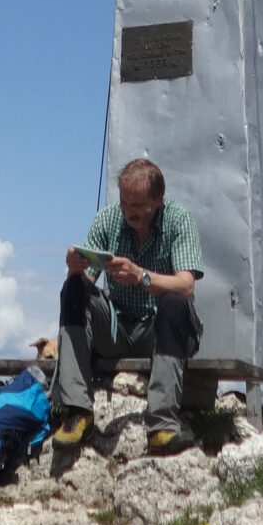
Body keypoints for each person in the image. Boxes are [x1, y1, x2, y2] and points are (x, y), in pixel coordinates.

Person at [53, 157, 203, 455]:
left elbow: (186, 285)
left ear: (158, 199)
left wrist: (142, 277)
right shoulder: (108, 219)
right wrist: (75, 267)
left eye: (137, 205)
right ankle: (77, 411)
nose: (129, 212)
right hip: (118, 328)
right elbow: (88, 282)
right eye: (125, 203)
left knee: (175, 301)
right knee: (73, 289)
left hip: (162, 331)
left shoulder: (178, 219)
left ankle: (162, 425)